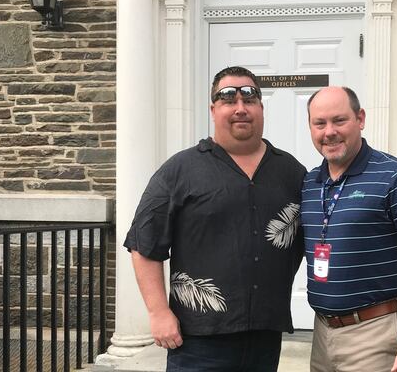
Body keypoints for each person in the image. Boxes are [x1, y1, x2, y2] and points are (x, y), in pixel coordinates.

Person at [123, 66, 306, 372]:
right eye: (228, 99)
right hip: (197, 341)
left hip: (265, 337)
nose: (240, 108)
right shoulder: (180, 170)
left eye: (249, 99)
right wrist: (158, 313)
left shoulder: (291, 172)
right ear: (213, 110)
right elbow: (144, 244)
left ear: (261, 108)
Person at [301, 86, 397, 372]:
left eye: (339, 120)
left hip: (378, 334)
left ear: (360, 119)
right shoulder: (310, 183)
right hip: (322, 335)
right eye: (320, 123)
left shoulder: (396, 176)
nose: (329, 132)